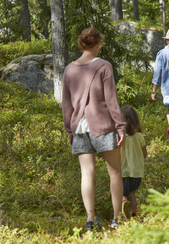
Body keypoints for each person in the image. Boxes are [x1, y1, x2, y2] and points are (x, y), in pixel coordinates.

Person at [62, 28, 126, 231]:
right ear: (98, 44)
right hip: (104, 126)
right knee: (115, 173)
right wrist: (121, 126)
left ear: (82, 44)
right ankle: (117, 218)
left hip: (79, 128)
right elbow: (111, 100)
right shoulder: (104, 66)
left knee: (86, 174)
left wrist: (69, 131)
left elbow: (66, 105)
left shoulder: (69, 69)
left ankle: (91, 219)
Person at [119, 106, 147, 219]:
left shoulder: (119, 138)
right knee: (132, 193)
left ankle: (124, 217)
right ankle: (134, 214)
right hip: (137, 171)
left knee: (123, 195)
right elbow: (144, 154)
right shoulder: (139, 136)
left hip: (123, 170)